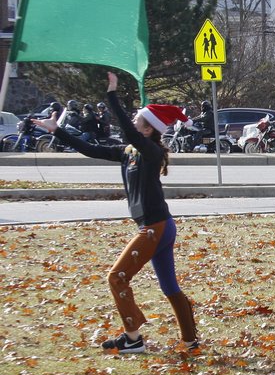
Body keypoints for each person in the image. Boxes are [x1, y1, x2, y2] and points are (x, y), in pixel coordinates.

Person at [33, 72, 199, 354]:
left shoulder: (150, 151)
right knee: (169, 286)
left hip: (155, 228)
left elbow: (128, 129)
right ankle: (190, 340)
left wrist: (112, 93)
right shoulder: (130, 151)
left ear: (148, 130)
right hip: (155, 226)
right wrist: (56, 131)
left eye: (138, 119)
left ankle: (133, 339)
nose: (133, 120)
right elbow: (90, 149)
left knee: (116, 277)